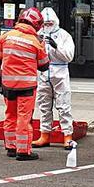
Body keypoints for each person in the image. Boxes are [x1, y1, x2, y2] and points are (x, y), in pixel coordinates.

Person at [0, 8, 49, 161]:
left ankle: (11, 147)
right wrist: (44, 46)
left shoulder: (6, 36)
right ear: (36, 24)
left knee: (10, 115)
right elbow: (44, 66)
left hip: (8, 85)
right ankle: (23, 151)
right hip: (26, 87)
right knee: (24, 118)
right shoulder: (35, 42)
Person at [32, 8, 76, 149]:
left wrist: (56, 47)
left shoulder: (64, 35)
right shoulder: (38, 35)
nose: (47, 26)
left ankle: (67, 136)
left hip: (60, 73)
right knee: (44, 106)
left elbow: (69, 56)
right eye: (45, 23)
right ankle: (44, 134)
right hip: (43, 73)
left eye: (49, 23)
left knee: (64, 105)